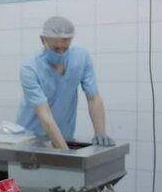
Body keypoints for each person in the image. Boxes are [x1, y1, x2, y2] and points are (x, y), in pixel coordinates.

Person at [16, 16, 114, 149]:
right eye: (56, 49)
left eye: (65, 47)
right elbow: (43, 112)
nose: (61, 52)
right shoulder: (30, 68)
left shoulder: (81, 58)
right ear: (43, 40)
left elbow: (93, 97)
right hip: (30, 137)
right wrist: (66, 153)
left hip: (64, 134)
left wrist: (100, 131)